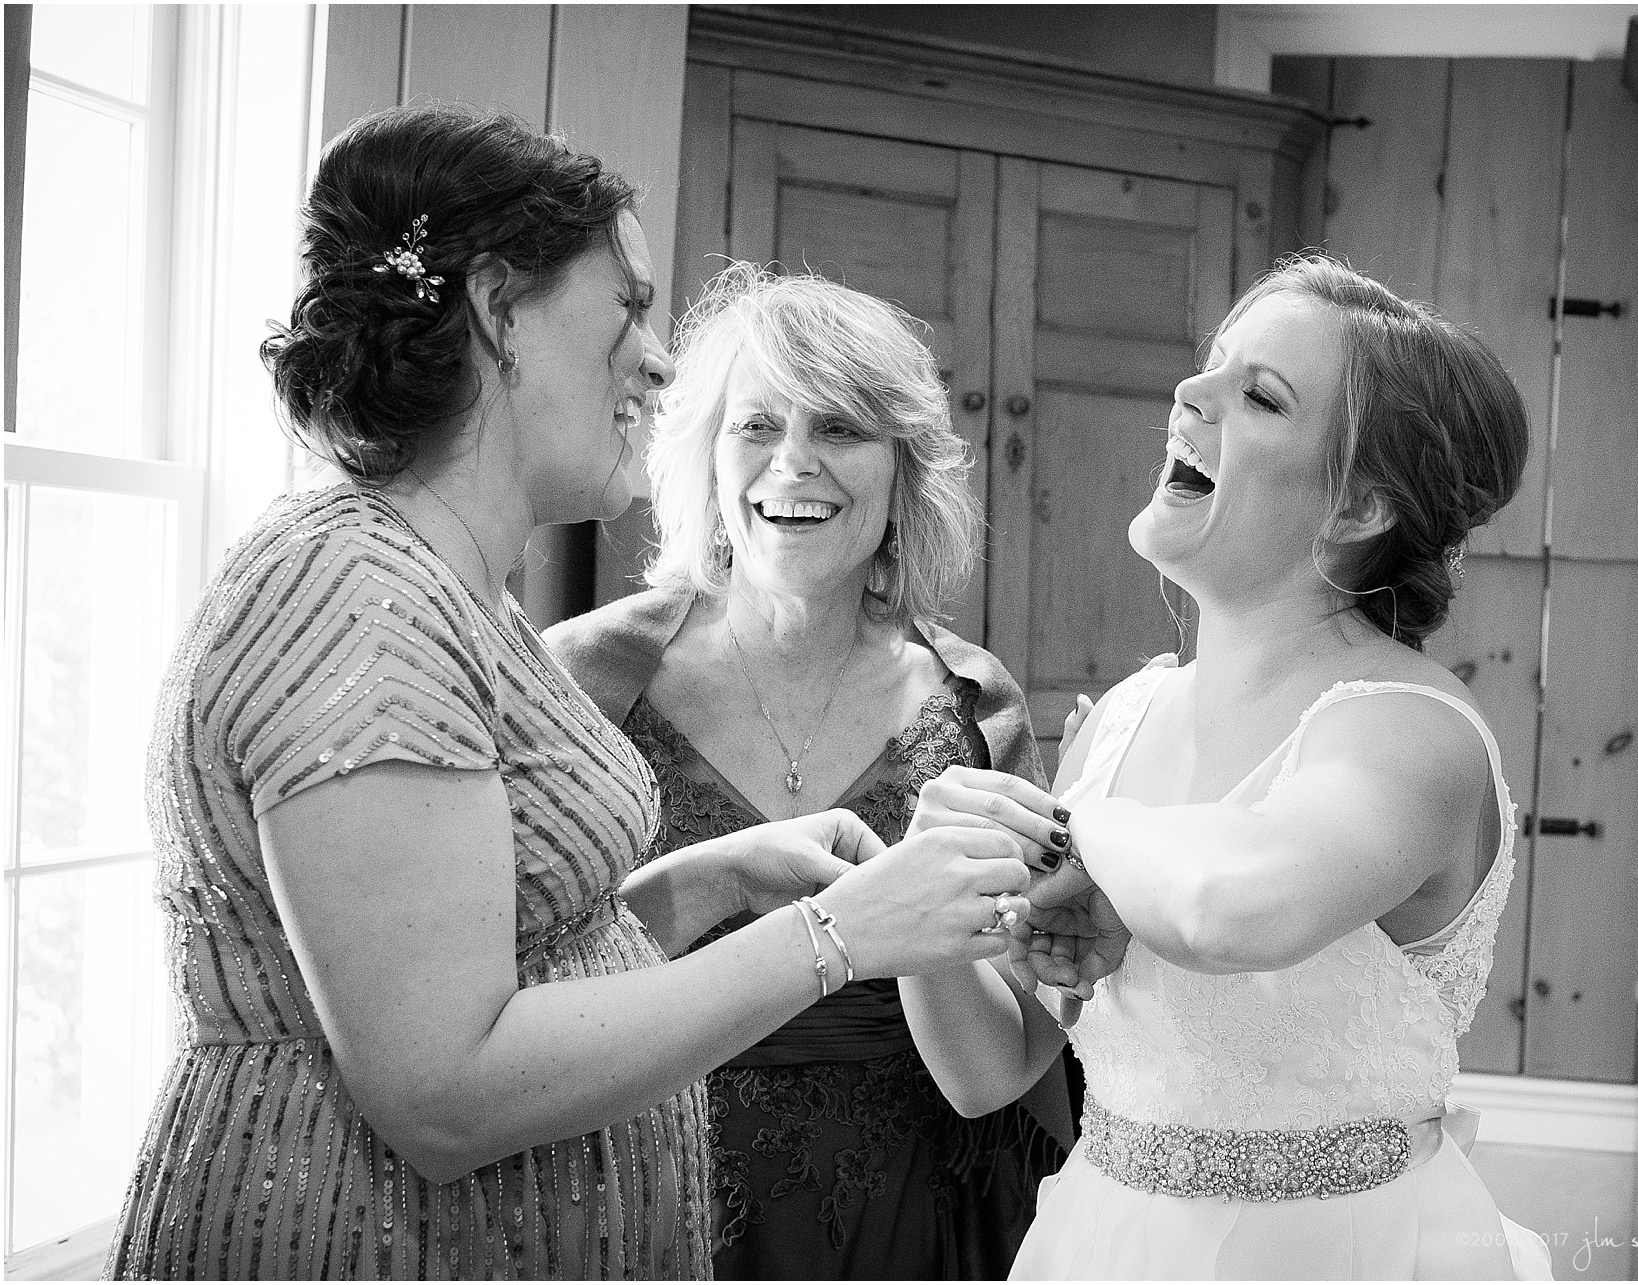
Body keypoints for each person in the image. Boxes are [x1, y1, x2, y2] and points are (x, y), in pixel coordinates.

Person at [105, 104, 1035, 1281]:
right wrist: (838, 932)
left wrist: (704, 880)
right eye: (630, 306)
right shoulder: (356, 595)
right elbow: (443, 1092)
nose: (655, 360)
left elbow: (495, 973)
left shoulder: (451, 593)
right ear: (498, 310)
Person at [898, 255, 1557, 1279]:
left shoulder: (1413, 735)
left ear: (1355, 509)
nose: (1188, 395)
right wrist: (928, 892)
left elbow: (1229, 909)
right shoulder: (1119, 721)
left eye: (1259, 396)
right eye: (1210, 367)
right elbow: (990, 1070)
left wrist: (1076, 838)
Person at [545, 263, 1072, 1280]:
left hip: (912, 1219)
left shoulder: (974, 709)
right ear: (704, 456)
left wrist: (923, 899)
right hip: (636, 1202)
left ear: (902, 468)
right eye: (758, 427)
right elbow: (527, 988)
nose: (794, 463)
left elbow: (988, 1078)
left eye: (838, 429)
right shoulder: (582, 679)